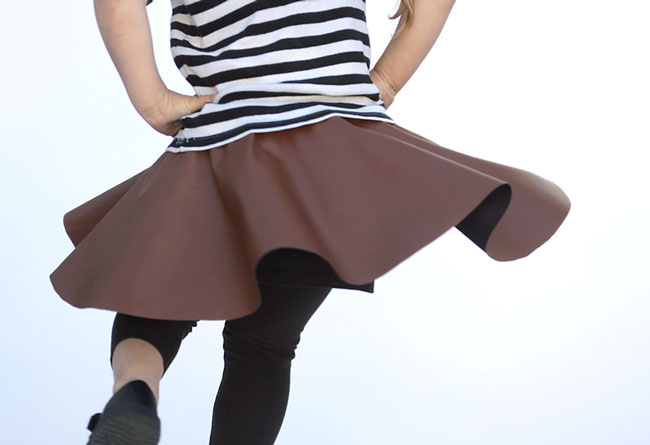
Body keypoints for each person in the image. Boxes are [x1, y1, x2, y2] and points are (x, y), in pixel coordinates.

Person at [49, 0, 571, 444]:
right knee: (264, 345)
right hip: (334, 164)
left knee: (151, 313)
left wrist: (152, 99)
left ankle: (135, 397)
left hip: (220, 152)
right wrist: (384, 80)